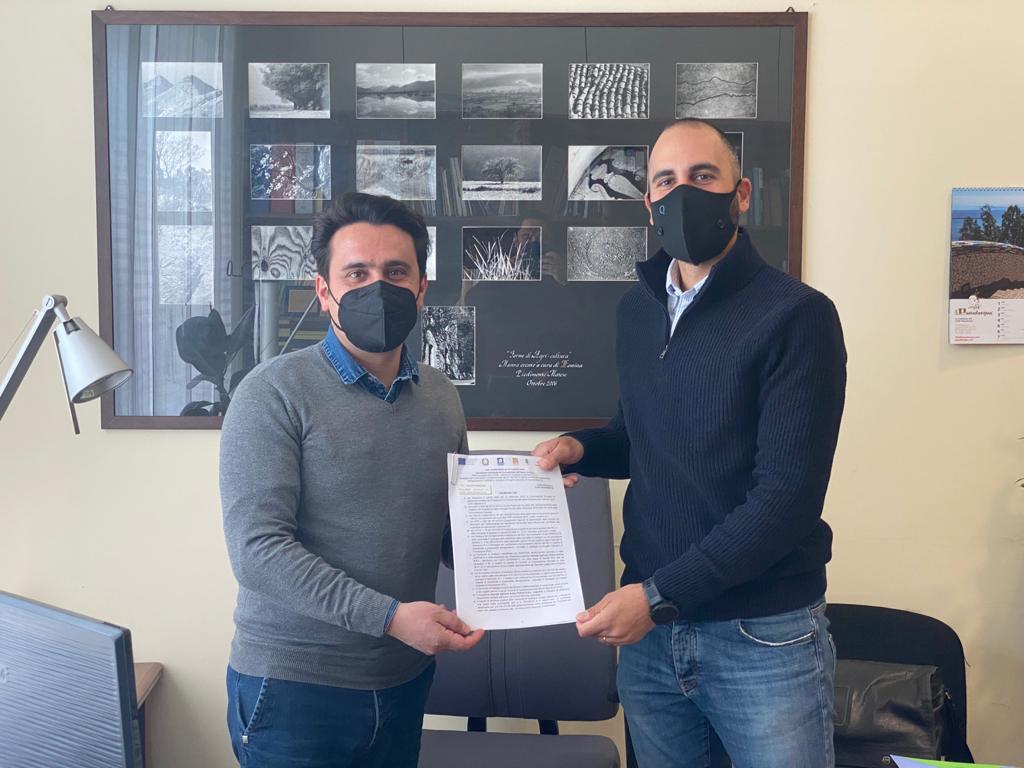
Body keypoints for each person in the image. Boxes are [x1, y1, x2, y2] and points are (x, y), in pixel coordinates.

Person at [533, 118, 847, 767]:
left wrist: (655, 597)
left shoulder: (797, 315)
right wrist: (580, 449)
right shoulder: (637, 311)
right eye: (666, 181)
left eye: (703, 177)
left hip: (760, 637)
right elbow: (642, 437)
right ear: (648, 201)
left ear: (741, 194)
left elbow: (785, 500)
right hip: (652, 642)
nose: (683, 194)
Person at [220, 192, 484, 768]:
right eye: (357, 273)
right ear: (324, 291)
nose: (377, 288)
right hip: (295, 689)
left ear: (420, 288)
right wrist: (390, 618)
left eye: (396, 272)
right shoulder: (271, 393)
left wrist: (523, 508)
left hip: (404, 679)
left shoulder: (441, 395)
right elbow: (257, 551)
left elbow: (450, 535)